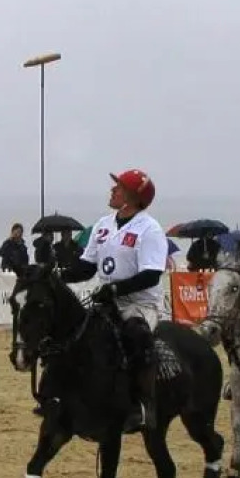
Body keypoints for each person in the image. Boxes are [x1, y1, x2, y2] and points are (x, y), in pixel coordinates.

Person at [59, 169, 166, 434]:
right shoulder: (103, 225)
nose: (112, 191)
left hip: (140, 304)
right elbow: (87, 267)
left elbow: (152, 275)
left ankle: (141, 405)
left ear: (131, 197)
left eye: (118, 188)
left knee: (136, 336)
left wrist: (116, 289)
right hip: (107, 301)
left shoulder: (149, 229)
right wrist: (58, 274)